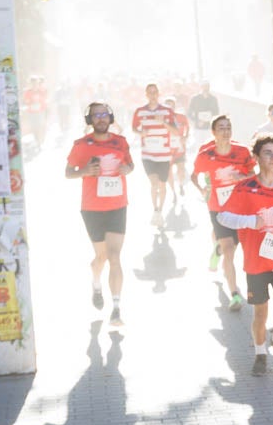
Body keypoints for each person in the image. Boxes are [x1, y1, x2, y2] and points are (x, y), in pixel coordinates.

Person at [220, 136, 273, 376]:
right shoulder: (245, 188)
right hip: (256, 263)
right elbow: (223, 217)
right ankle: (260, 354)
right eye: (268, 153)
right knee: (260, 313)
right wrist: (250, 221)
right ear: (256, 157)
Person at [64, 102, 134, 328]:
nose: (101, 119)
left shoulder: (120, 142)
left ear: (110, 117)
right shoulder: (82, 145)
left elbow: (130, 165)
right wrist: (84, 172)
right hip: (92, 208)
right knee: (101, 257)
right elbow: (68, 172)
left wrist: (127, 169)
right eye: (96, 116)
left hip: (117, 205)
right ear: (90, 120)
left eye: (104, 114)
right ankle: (96, 282)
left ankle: (116, 308)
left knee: (115, 256)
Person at [191, 114, 255, 311]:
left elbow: (254, 175)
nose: (226, 131)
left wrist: (242, 176)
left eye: (228, 127)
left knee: (237, 249)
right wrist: (202, 189)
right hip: (218, 208)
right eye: (221, 128)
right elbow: (194, 176)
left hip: (242, 208)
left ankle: (217, 250)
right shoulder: (206, 155)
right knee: (229, 250)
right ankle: (234, 294)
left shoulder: (242, 151)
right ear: (214, 133)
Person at [131, 82, 185, 226]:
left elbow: (176, 131)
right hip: (148, 154)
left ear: (159, 94)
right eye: (150, 92)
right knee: (153, 183)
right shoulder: (139, 111)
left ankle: (160, 210)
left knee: (162, 185)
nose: (153, 95)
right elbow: (134, 128)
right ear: (146, 95)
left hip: (164, 155)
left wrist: (164, 124)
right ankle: (155, 210)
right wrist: (140, 132)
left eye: (155, 92)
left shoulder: (167, 111)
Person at [166, 96, 191, 207]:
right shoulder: (162, 119)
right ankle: (173, 193)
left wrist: (185, 136)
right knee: (169, 173)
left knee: (181, 170)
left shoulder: (181, 117)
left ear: (175, 106)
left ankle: (180, 184)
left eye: (171, 104)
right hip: (167, 150)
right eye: (167, 105)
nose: (170, 107)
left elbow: (188, 128)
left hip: (180, 148)